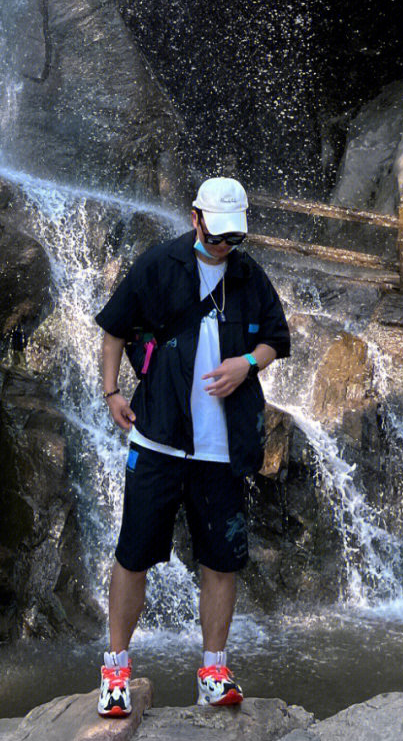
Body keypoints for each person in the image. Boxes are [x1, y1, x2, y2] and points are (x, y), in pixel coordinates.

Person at [93, 176, 291, 717]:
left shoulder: (250, 276)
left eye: (235, 236)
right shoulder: (159, 265)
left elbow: (277, 337)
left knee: (221, 562)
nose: (226, 245)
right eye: (219, 233)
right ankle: (115, 674)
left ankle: (213, 670)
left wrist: (246, 363)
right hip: (157, 439)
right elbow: (114, 329)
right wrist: (111, 392)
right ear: (196, 217)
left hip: (222, 450)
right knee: (133, 555)